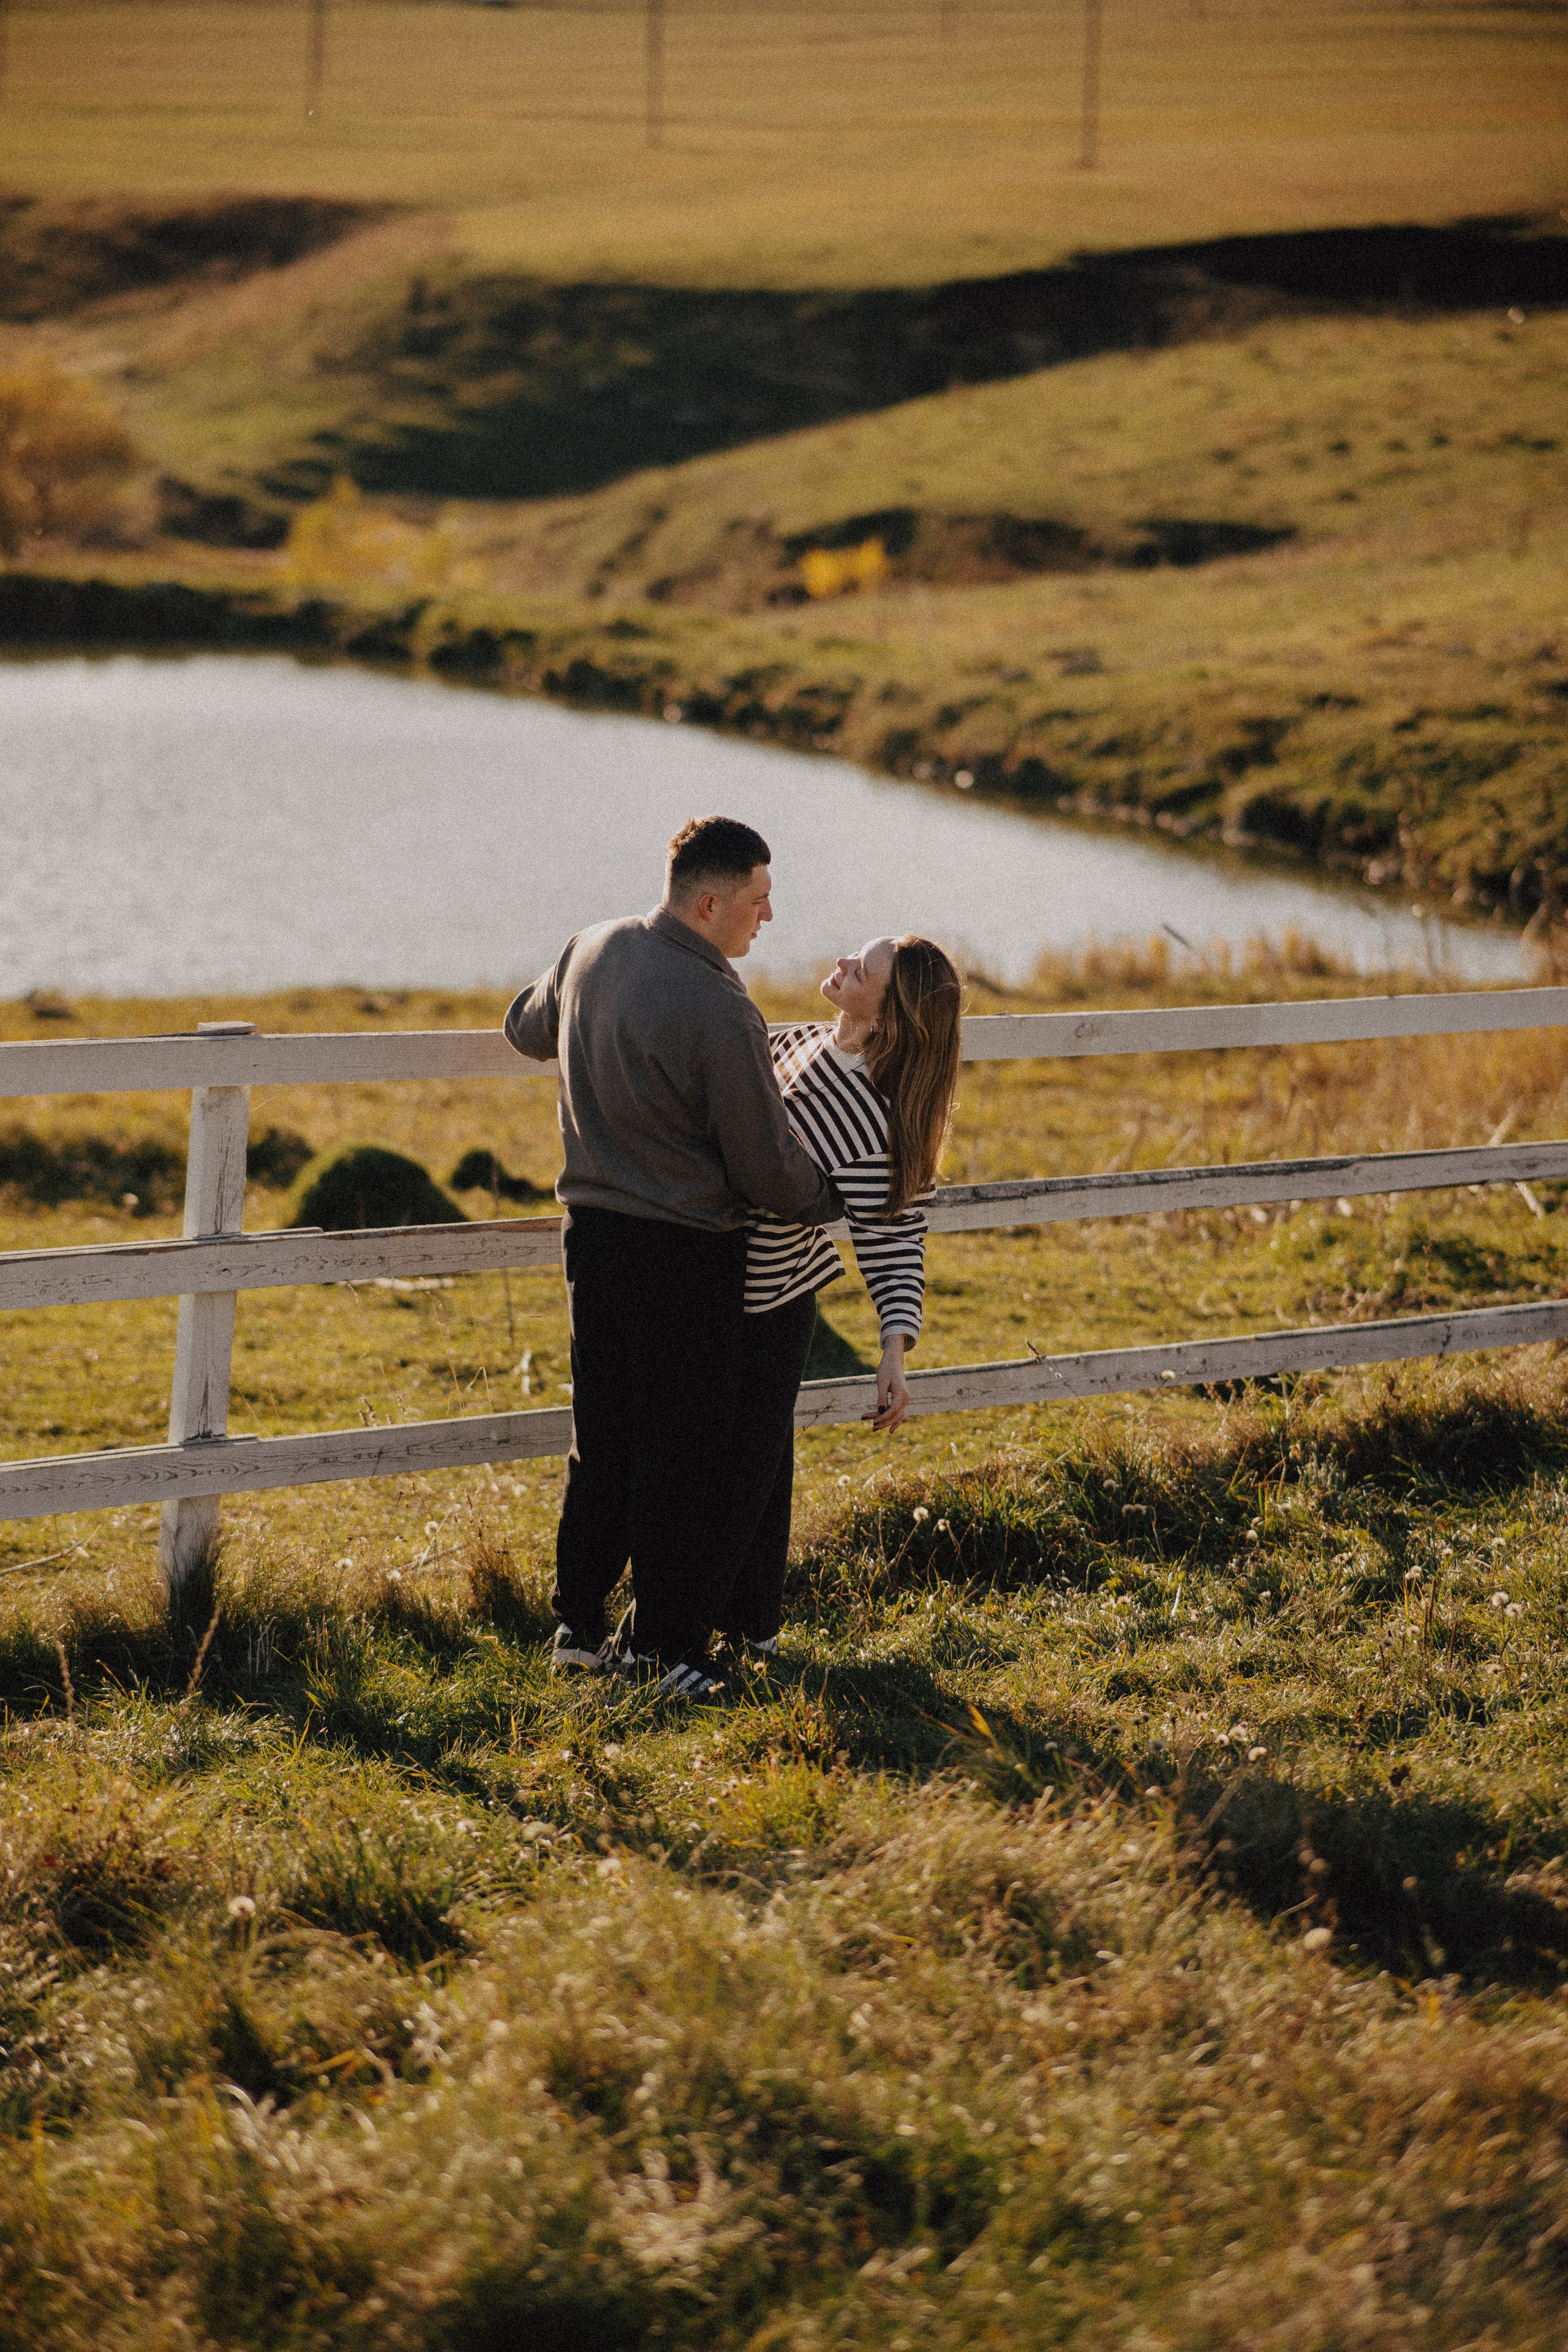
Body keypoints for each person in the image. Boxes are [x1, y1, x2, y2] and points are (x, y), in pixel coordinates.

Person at [503, 816, 843, 1703]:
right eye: (759, 901)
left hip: (592, 1239)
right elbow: (765, 1168)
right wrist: (832, 1199)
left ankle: (576, 1626)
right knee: (684, 1453)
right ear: (709, 902)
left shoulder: (591, 948)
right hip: (687, 1254)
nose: (769, 918)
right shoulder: (722, 1008)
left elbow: (523, 1029)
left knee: (604, 1437)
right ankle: (664, 1648)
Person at [715, 934, 963, 1665]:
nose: (844, 962)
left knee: (748, 1474)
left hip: (773, 1299)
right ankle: (741, 1629)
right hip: (716, 1286)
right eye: (857, 952)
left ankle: (739, 1633)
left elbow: (891, 1239)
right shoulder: (789, 1040)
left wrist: (894, 1351)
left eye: (866, 969)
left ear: (889, 1016)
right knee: (745, 1466)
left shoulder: (875, 1121)